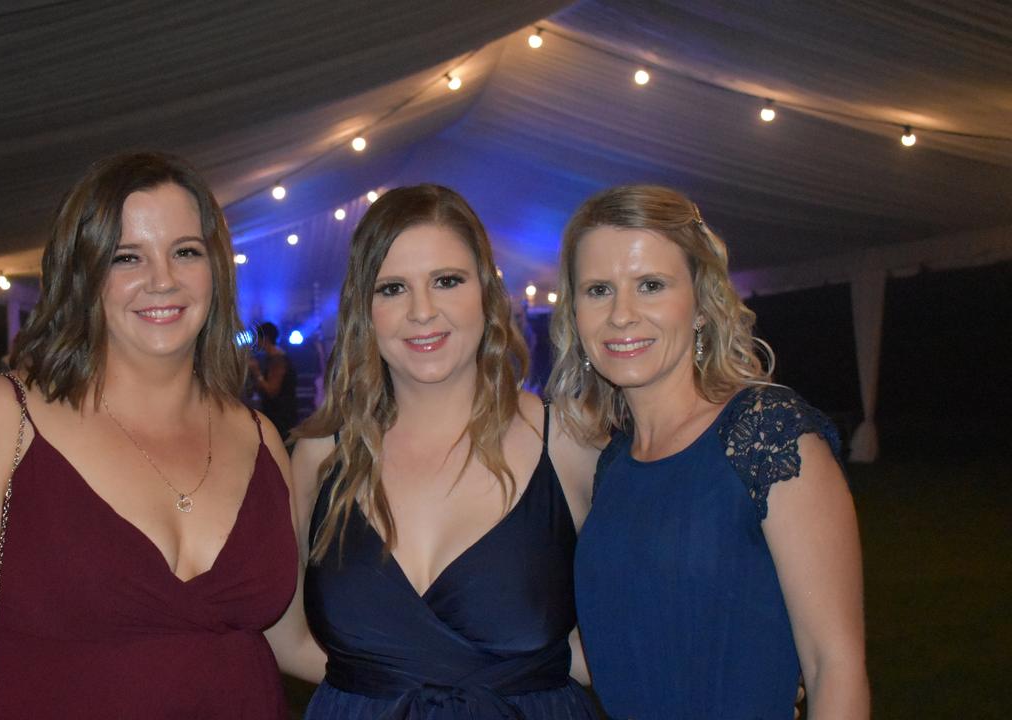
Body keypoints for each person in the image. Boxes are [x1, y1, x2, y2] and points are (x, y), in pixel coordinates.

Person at [0, 152, 298, 718]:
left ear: (217, 271)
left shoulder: (261, 440)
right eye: (126, 257)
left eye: (185, 251)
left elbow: (291, 639)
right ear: (82, 274)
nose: (162, 279)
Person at [275, 184, 602, 718]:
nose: (422, 311)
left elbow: (646, 607)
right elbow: (285, 641)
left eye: (447, 281)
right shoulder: (320, 455)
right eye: (393, 288)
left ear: (486, 294)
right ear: (365, 310)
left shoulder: (566, 438)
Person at [549, 185, 869, 719]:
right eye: (598, 289)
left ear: (700, 303)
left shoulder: (766, 433)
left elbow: (833, 666)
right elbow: (614, 653)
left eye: (650, 285)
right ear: (575, 313)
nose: (622, 315)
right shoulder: (613, 467)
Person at [250, 321, 299, 437]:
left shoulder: (278, 359)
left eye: (257, 338)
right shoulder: (269, 359)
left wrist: (256, 372)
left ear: (265, 339)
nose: (255, 342)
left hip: (281, 417)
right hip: (274, 414)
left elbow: (272, 391)